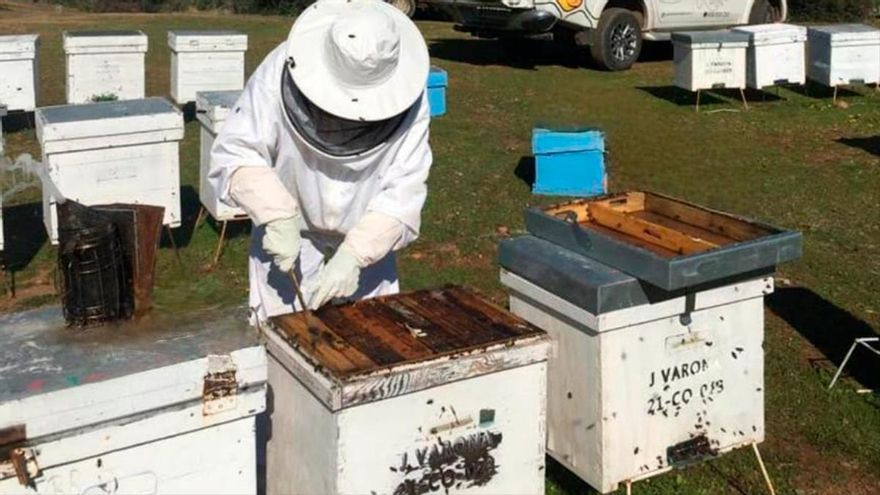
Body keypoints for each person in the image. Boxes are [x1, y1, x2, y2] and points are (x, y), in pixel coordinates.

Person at [209, 0, 432, 322]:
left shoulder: (409, 96)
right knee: (278, 333)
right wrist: (275, 214)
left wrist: (355, 254)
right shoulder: (279, 69)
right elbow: (237, 150)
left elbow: (404, 191)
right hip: (291, 228)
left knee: (370, 329)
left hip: (367, 237)